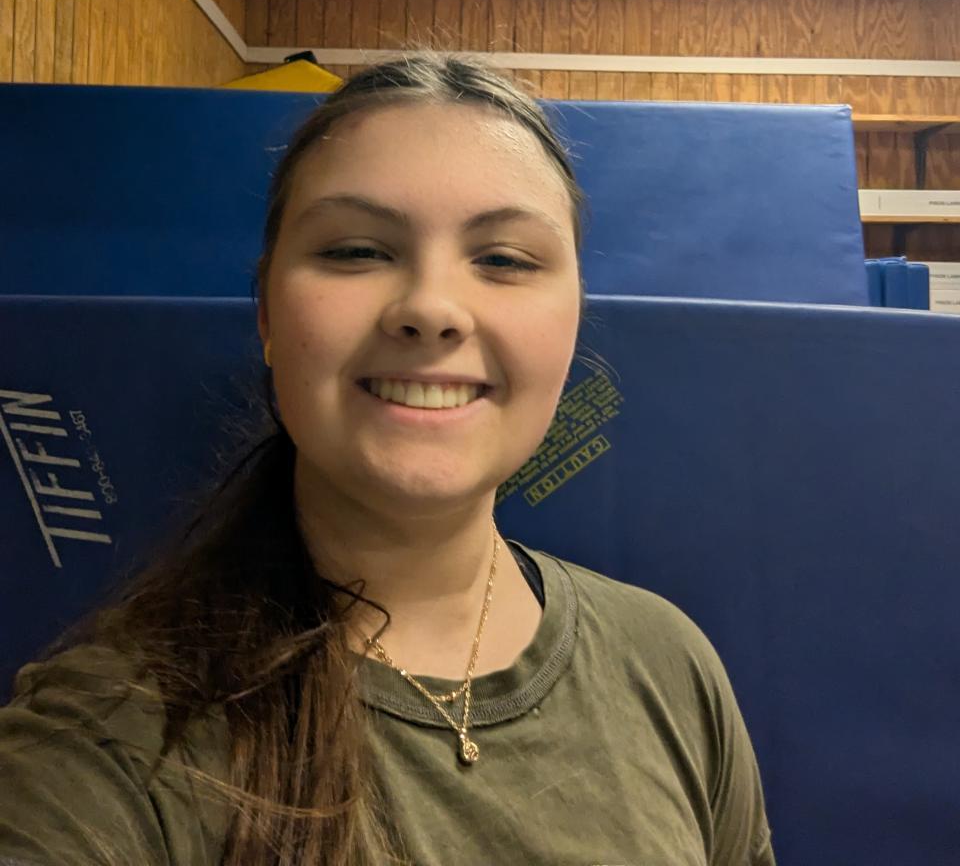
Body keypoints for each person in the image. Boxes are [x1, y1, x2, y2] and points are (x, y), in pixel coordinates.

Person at [0, 52, 775, 866]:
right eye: (358, 251)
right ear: (267, 314)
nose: (431, 308)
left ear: (575, 315)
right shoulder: (113, 741)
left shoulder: (666, 663)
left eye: (505, 260)